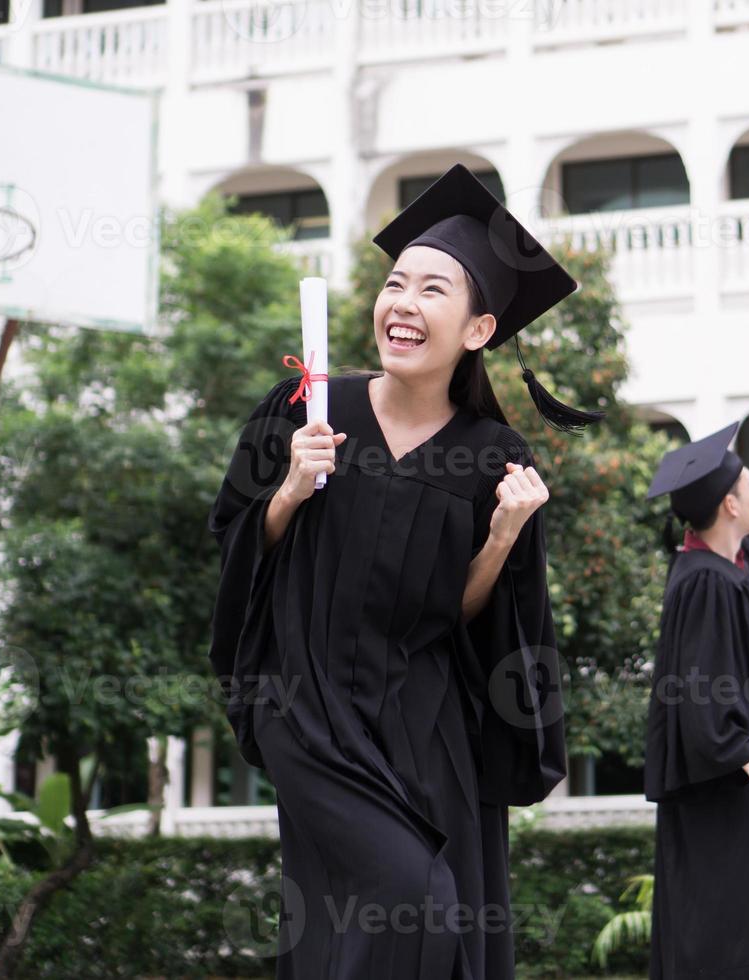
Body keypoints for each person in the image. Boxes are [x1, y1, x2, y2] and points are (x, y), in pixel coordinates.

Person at [207, 164, 592, 979]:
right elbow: (237, 548)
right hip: (309, 705)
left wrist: (501, 538)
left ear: (479, 329)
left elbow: (469, 617)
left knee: (431, 925)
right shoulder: (306, 409)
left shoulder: (494, 456)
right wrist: (288, 490)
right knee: (409, 896)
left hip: (426, 719)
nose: (402, 304)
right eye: (394, 284)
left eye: (432, 290)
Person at [642, 412, 749, 980]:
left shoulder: (722, 575)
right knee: (737, 949)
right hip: (725, 807)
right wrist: (743, 753)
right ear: (728, 506)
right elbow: (699, 692)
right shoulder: (703, 584)